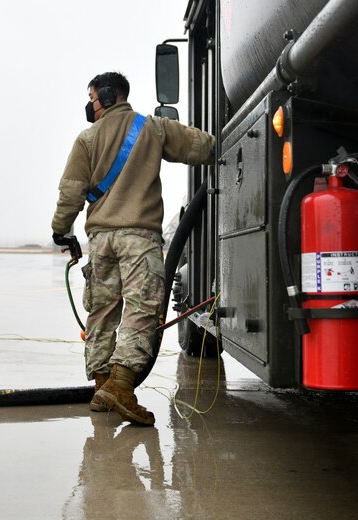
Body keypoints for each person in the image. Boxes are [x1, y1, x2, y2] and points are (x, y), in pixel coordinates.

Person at [51, 71, 215, 426]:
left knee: (101, 313)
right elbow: (204, 147)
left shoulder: (87, 139)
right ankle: (120, 386)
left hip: (100, 240)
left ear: (108, 96)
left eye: (92, 97)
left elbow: (71, 193)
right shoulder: (153, 129)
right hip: (139, 238)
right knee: (142, 309)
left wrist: (61, 231)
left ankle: (102, 387)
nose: (89, 104)